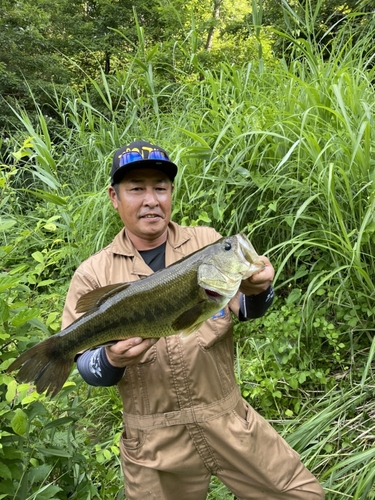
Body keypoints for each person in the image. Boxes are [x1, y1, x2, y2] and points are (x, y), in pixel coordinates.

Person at [62, 140, 325, 500]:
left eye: (160, 188)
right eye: (136, 189)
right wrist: (110, 359)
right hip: (154, 445)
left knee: (302, 494)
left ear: (171, 193)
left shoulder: (208, 242)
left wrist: (259, 289)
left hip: (229, 420)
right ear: (114, 197)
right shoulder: (93, 273)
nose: (151, 199)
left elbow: (245, 309)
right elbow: (87, 368)